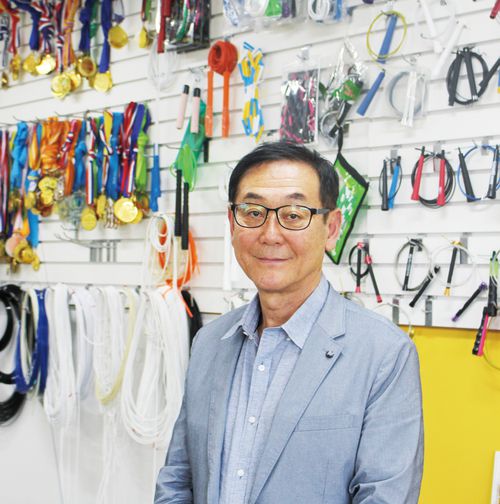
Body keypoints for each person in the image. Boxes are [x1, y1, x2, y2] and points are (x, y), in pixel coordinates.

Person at [154, 141, 424, 504]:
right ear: (232, 223)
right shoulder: (209, 342)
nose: (270, 234)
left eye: (294, 215)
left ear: (331, 228)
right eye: (253, 212)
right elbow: (177, 480)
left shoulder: (384, 355)